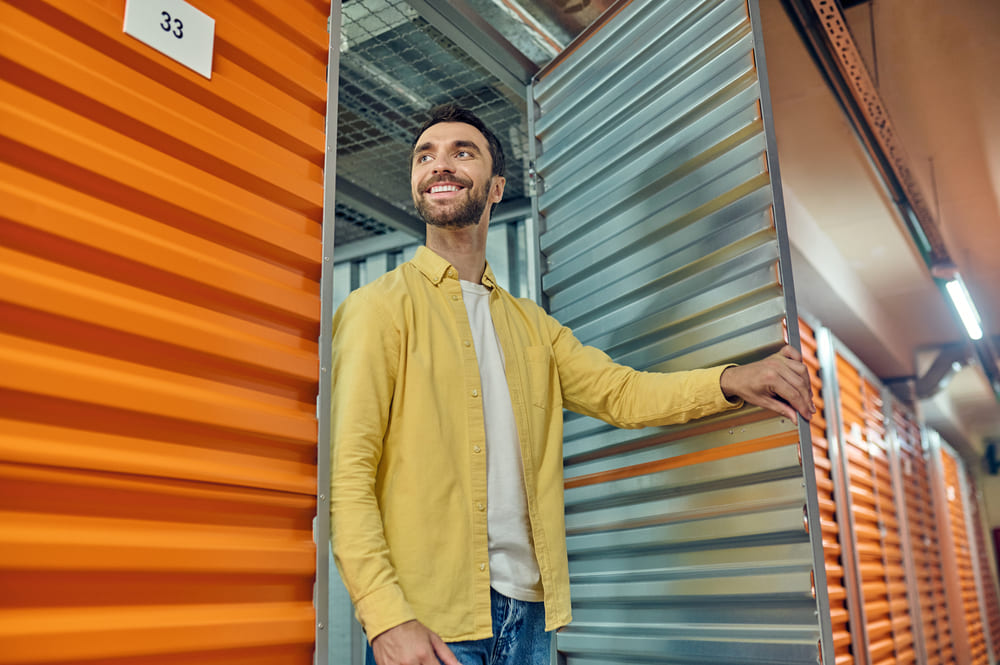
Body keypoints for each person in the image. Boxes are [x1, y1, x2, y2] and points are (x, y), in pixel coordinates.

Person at [330, 104, 816, 665]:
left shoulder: (531, 326)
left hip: (529, 619)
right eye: (425, 156)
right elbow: (347, 479)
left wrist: (732, 379)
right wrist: (386, 617)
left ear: (495, 188)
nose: (440, 165)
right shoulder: (376, 310)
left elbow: (623, 393)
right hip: (432, 621)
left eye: (463, 152)